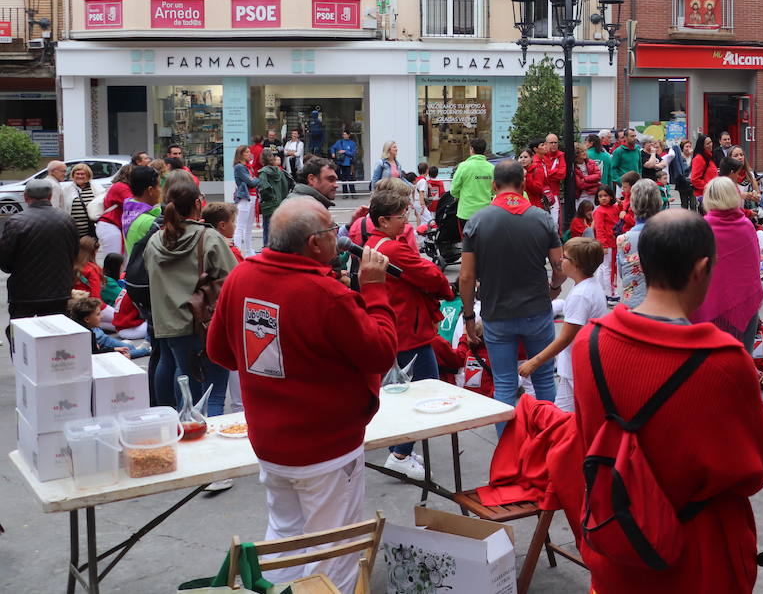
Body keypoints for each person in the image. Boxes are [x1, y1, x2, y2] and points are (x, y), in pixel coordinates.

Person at [569, 210, 763, 594]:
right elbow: (755, 470)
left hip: (619, 541)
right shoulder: (725, 361)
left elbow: (587, 438)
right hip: (698, 556)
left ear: (641, 264)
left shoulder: (589, 344)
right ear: (702, 268)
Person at [206, 197, 395, 591]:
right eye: (331, 231)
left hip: (271, 441)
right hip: (325, 446)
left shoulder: (242, 276)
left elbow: (220, 352)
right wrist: (374, 291)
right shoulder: (326, 294)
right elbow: (380, 352)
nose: (338, 238)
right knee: (335, 550)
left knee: (285, 539)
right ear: (313, 243)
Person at [458, 160, 564, 422]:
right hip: (537, 311)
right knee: (543, 378)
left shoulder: (477, 222)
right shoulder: (541, 218)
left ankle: (508, 451)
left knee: (504, 384)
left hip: (497, 313)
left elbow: (467, 276)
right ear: (523, 183)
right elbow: (560, 266)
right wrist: (554, 288)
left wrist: (469, 318)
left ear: (494, 186)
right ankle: (548, 440)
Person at [359, 190, 453, 480]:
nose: (407, 221)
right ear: (384, 219)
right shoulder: (393, 249)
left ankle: (400, 448)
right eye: (402, 217)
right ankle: (399, 453)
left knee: (402, 390)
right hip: (408, 331)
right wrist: (446, 291)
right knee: (425, 393)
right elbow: (432, 276)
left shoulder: (373, 243)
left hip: (395, 326)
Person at [146, 175, 237, 414]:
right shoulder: (208, 237)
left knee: (185, 384)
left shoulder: (155, 240)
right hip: (205, 323)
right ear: (198, 203)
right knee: (214, 393)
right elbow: (234, 280)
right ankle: (209, 447)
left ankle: (184, 430)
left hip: (169, 324)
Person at [519, 236, 606, 412]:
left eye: (565, 257)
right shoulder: (588, 286)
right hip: (579, 363)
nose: (560, 260)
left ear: (577, 265)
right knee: (567, 416)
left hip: (578, 366)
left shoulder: (580, 294)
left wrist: (534, 362)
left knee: (566, 418)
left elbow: (566, 338)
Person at [1, 180, 80, 343]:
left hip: (24, 293)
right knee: (56, 337)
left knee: (21, 338)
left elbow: (6, 262)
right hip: (59, 289)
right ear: (50, 196)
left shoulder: (16, 222)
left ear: (25, 197)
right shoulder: (67, 219)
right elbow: (74, 253)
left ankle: (24, 367)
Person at [694, 177, 763, 345]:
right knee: (742, 357)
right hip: (745, 303)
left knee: (712, 360)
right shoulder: (746, 225)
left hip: (710, 305)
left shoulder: (701, 228)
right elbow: (754, 267)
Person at [616, 178, 662, 309]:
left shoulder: (622, 240)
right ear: (658, 202)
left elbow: (621, 272)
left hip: (632, 304)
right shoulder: (668, 234)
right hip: (661, 304)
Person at [67, 295, 145, 358]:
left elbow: (95, 351)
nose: (102, 316)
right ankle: (146, 350)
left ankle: (144, 350)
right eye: (98, 314)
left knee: (128, 347)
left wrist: (114, 349)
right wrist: (115, 353)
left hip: (102, 343)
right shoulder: (88, 334)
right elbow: (95, 355)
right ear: (87, 319)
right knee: (128, 351)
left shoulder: (87, 329)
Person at [122, 166, 163, 256]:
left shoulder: (130, 211)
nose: (161, 190)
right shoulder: (150, 222)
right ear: (150, 190)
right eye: (159, 186)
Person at [256, 148, 292, 249]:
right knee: (279, 227)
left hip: (270, 204)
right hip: (280, 203)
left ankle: (267, 248)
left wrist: (267, 198)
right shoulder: (280, 171)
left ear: (262, 159)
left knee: (267, 227)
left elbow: (264, 188)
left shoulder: (263, 172)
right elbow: (286, 185)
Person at [231, 145, 259, 257]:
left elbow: (253, 180)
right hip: (244, 197)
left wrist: (254, 180)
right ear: (241, 154)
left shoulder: (248, 166)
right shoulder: (239, 167)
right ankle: (237, 253)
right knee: (240, 226)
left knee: (248, 227)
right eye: (247, 152)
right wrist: (256, 180)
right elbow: (252, 182)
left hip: (251, 196)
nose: (249, 154)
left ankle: (248, 251)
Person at [67, 163, 101, 241]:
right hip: (73, 232)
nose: (80, 176)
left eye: (82, 174)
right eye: (77, 174)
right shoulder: (67, 189)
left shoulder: (96, 188)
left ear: (88, 175)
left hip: (90, 232)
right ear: (73, 175)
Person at [540, 133, 567, 225]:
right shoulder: (541, 156)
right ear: (546, 144)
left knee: (555, 222)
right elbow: (542, 175)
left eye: (555, 142)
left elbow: (562, 174)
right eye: (551, 142)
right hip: (541, 192)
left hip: (555, 193)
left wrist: (549, 173)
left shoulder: (561, 155)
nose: (554, 144)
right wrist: (555, 170)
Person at [689, 133, 717, 205]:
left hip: (710, 193)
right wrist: (709, 187)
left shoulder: (709, 156)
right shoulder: (699, 158)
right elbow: (695, 179)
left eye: (711, 142)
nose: (710, 144)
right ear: (702, 146)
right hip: (704, 194)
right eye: (707, 143)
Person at [329, 130, 359, 196]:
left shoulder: (352, 143)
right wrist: (333, 153)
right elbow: (333, 147)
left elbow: (352, 153)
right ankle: (345, 193)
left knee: (350, 178)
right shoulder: (339, 142)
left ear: (348, 135)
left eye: (345, 134)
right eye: (343, 134)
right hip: (341, 163)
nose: (344, 136)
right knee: (343, 179)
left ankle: (353, 193)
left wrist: (345, 151)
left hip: (349, 163)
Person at [573, 143, 602, 207]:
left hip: (594, 194)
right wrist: (595, 182)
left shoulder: (591, 162)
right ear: (576, 154)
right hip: (581, 196)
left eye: (585, 150)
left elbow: (598, 176)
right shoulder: (573, 167)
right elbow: (580, 185)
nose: (585, 153)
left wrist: (585, 179)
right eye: (581, 151)